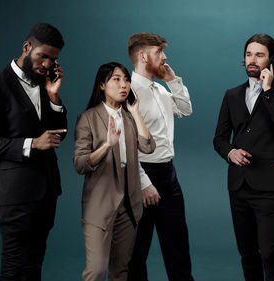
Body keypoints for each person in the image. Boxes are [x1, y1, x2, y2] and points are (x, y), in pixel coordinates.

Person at [0, 23, 67, 280]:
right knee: (15, 265)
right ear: (27, 47)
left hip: (47, 191)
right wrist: (32, 143)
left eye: (53, 59)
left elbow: (60, 135)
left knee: (35, 262)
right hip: (15, 195)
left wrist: (54, 98)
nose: (47, 64)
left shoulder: (45, 84)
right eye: (43, 56)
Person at [213, 33, 274, 281]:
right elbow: (219, 138)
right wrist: (230, 152)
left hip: (270, 186)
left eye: (259, 54)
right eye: (249, 54)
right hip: (239, 186)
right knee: (247, 253)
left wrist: (268, 90)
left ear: (272, 60)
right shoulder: (232, 94)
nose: (252, 59)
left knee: (270, 253)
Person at [73, 62, 155, 281]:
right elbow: (80, 164)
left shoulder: (130, 117)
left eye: (126, 79)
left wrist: (136, 113)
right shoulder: (87, 118)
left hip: (129, 206)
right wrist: (107, 145)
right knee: (97, 270)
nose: (124, 84)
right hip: (99, 206)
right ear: (102, 84)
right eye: (116, 79)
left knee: (121, 271)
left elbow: (148, 147)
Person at [126, 32, 195, 281]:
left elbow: (185, 110)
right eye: (159, 53)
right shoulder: (127, 91)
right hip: (140, 175)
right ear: (143, 56)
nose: (165, 57)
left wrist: (173, 81)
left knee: (178, 248)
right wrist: (144, 184)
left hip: (168, 176)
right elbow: (126, 145)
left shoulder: (162, 91)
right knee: (136, 253)